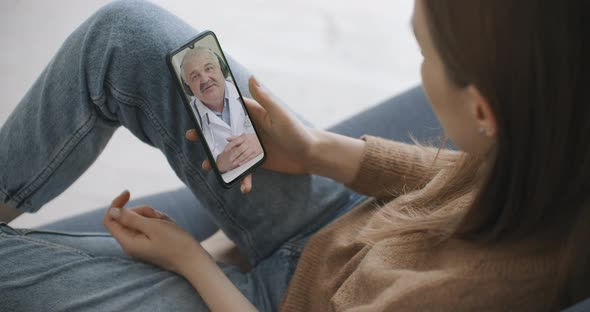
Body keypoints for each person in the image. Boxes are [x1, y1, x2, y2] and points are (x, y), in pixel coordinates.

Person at [0, 0, 589, 311]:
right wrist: (315, 151)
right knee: (125, 35)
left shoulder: (454, 301)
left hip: (271, 305)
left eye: (424, 53)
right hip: (336, 224)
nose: (420, 70)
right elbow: (460, 175)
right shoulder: (552, 148)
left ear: (484, 112)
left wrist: (193, 259)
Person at [181, 46, 262, 173]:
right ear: (188, 87)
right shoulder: (188, 118)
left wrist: (260, 140)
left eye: (209, 68)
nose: (205, 79)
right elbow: (197, 163)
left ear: (222, 70)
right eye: (195, 77)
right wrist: (218, 164)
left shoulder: (245, 90)